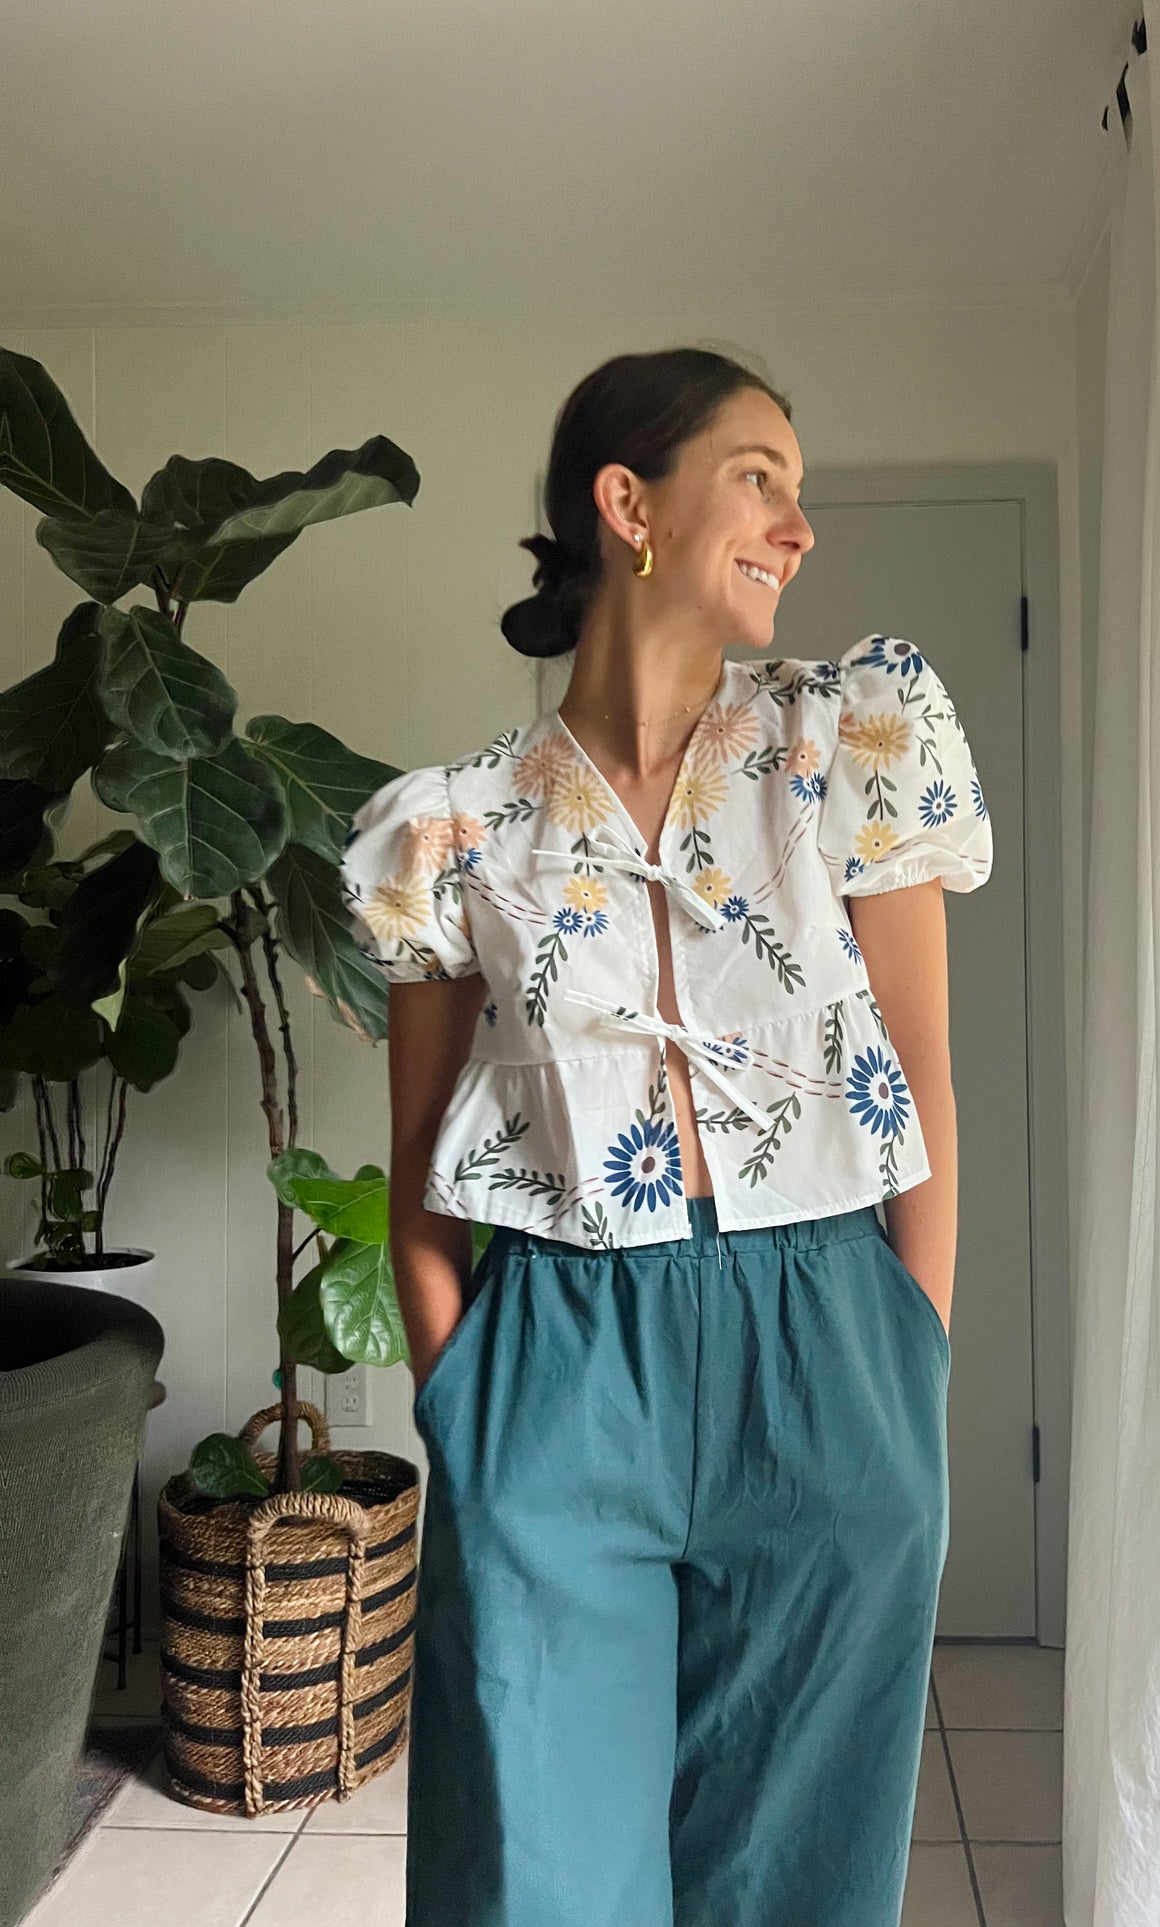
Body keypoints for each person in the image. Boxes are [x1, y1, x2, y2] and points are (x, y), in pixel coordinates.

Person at [340, 345, 993, 1927]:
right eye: (759, 477)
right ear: (627, 505)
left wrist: (904, 1349)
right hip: (557, 1355)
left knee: (796, 1869)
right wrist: (468, 1403)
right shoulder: (452, 827)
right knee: (537, 1873)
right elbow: (420, 1155)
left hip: (826, 1334)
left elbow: (920, 1077)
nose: (797, 524)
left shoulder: (852, 743)